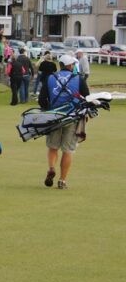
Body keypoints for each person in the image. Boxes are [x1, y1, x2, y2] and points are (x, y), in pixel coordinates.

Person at [39, 54, 90, 190]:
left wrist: (48, 110)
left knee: (53, 147)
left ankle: (51, 168)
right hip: (72, 117)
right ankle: (62, 180)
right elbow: (87, 97)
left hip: (54, 117)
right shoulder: (78, 78)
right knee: (68, 150)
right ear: (70, 65)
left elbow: (42, 100)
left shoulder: (50, 77)